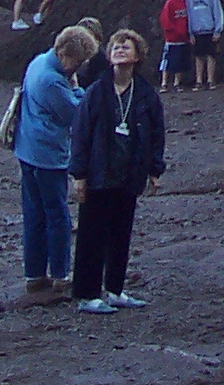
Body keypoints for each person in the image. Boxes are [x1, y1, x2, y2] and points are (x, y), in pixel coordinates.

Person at [67, 29, 164, 314]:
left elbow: (156, 134)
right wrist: (79, 175)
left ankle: (115, 289)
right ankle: (87, 294)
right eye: (115, 47)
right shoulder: (96, 91)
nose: (119, 51)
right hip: (98, 172)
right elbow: (81, 133)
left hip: (129, 173)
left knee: (121, 233)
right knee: (92, 234)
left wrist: (154, 170)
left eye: (126, 47)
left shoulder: (146, 93)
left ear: (137, 56)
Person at [14, 25, 97, 293]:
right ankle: (61, 274)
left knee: (34, 213)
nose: (79, 68)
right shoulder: (52, 80)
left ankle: (34, 274)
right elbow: (76, 115)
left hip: (27, 149)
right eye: (78, 62)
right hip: (47, 155)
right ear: (64, 55)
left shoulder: (38, 62)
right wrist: (79, 90)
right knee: (57, 215)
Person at [186, 0, 224, 89]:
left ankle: (210, 80)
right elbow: (189, 15)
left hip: (209, 30)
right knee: (198, 56)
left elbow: (217, 11)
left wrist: (218, 30)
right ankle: (199, 80)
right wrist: (190, 33)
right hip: (197, 31)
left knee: (211, 56)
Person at [158, 0, 191, 90]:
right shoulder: (171, 2)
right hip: (172, 38)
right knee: (168, 60)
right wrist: (173, 31)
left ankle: (177, 83)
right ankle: (164, 83)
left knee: (180, 61)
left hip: (184, 37)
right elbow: (164, 19)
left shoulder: (186, 0)